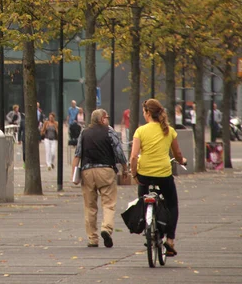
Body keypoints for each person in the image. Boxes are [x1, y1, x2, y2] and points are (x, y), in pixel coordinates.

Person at [130, 99, 187, 257]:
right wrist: (182, 161)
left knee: (142, 200)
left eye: (143, 112)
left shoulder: (140, 131)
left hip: (144, 174)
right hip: (163, 174)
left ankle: (147, 225)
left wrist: (134, 174)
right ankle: (170, 240)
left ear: (148, 113)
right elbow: (178, 155)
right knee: (172, 204)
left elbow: (133, 157)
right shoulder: (169, 130)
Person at [72, 109, 127, 248]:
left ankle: (92, 238)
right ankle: (106, 229)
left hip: (87, 172)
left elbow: (77, 154)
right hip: (106, 170)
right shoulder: (109, 131)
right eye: (107, 117)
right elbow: (119, 152)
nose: (108, 120)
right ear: (102, 119)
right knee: (108, 203)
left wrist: (74, 174)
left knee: (90, 206)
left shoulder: (84, 133)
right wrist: (125, 168)